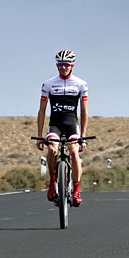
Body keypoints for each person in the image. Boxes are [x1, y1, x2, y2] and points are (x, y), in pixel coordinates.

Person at [36, 49, 88, 206]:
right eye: (60, 64)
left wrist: (83, 137)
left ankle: (76, 191)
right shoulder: (48, 84)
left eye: (66, 64)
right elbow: (42, 110)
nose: (63, 67)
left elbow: (84, 111)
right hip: (55, 125)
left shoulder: (81, 84)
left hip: (72, 124)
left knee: (73, 151)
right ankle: (52, 183)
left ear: (72, 65)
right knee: (51, 149)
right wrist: (39, 136)